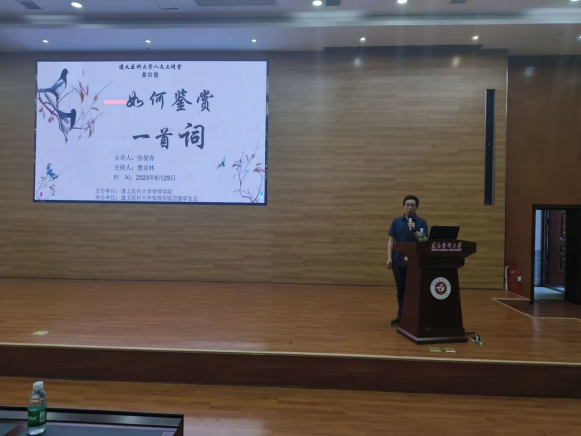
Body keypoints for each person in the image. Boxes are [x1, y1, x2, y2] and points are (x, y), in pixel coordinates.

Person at [386, 195, 428, 326]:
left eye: (412, 205)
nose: (410, 207)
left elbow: (424, 241)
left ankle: (415, 316)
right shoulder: (396, 222)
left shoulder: (422, 222)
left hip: (415, 262)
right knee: (401, 290)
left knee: (414, 290)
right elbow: (391, 240)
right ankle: (401, 316)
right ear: (404, 206)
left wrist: (414, 229)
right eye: (407, 205)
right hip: (398, 261)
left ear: (416, 207)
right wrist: (389, 258)